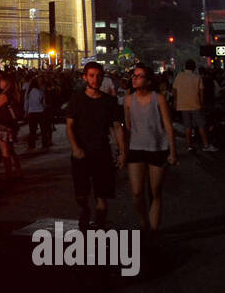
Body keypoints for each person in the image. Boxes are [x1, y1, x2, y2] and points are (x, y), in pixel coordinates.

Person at [66, 62, 126, 229]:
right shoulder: (77, 98)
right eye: (91, 75)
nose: (95, 79)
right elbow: (70, 126)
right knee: (81, 195)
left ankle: (99, 226)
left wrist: (122, 152)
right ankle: (85, 210)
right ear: (85, 77)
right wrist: (75, 148)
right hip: (82, 153)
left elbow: (116, 127)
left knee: (102, 197)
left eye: (98, 76)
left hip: (102, 152)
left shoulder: (109, 101)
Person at [124, 63, 177, 236]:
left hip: (157, 148)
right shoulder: (128, 100)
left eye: (139, 76)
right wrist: (123, 150)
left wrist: (172, 151)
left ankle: (154, 231)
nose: (134, 78)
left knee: (155, 192)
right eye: (133, 75)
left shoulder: (158, 98)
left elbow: (168, 126)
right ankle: (143, 221)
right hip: (136, 148)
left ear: (148, 81)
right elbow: (128, 127)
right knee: (137, 193)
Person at [172, 58, 216, 153]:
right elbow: (201, 91)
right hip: (195, 104)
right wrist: (201, 103)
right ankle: (206, 145)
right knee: (201, 125)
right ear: (194, 67)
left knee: (187, 126)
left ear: (185, 66)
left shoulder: (179, 76)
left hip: (183, 104)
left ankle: (189, 146)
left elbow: (174, 89)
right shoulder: (197, 77)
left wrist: (176, 101)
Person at [0, 74, 23, 180]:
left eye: (1, 81)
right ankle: (18, 171)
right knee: (11, 149)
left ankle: (8, 173)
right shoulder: (13, 94)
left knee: (5, 151)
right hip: (11, 125)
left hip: (3, 125)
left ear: (6, 83)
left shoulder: (3, 96)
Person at [24, 77, 47, 151]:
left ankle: (32, 145)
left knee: (32, 130)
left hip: (32, 111)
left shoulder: (29, 92)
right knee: (43, 129)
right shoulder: (40, 91)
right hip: (40, 111)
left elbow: (26, 102)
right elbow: (43, 102)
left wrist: (26, 111)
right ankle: (44, 143)